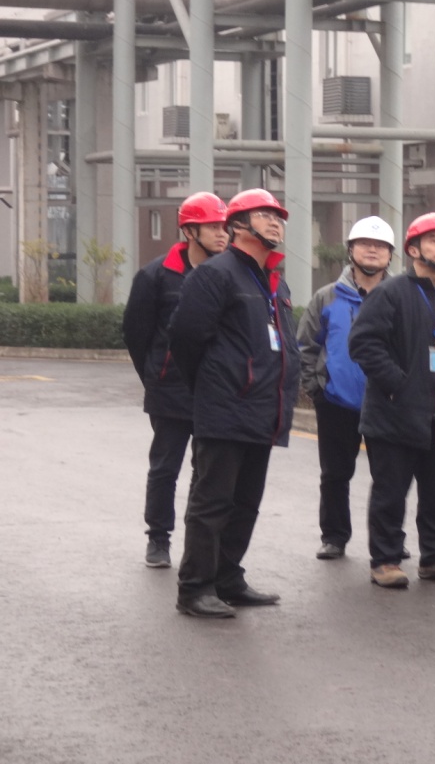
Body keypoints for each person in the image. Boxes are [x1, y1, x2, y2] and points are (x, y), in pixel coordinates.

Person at [167, 188, 300, 618]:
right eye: (265, 215)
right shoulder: (216, 274)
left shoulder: (274, 281)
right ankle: (195, 589)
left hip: (264, 410)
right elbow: (185, 338)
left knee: (245, 503)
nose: (275, 222)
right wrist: (217, 385)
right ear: (238, 225)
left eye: (278, 216)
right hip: (225, 407)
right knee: (212, 503)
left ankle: (228, 579)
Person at [348, 212, 435, 589]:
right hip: (393, 416)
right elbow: (363, 343)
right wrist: (398, 385)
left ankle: (434, 558)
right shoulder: (390, 293)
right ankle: (385, 560)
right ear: (413, 249)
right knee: (390, 493)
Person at [122, 192, 229, 568]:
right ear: (189, 231)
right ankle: (158, 538)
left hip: (215, 391)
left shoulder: (228, 274)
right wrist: (156, 375)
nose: (222, 233)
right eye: (213, 227)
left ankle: (201, 544)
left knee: (209, 472)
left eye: (225, 226)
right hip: (169, 391)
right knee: (165, 468)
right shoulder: (155, 275)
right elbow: (136, 333)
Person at [298, 215, 396, 561]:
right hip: (336, 401)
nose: (373, 250)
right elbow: (306, 346)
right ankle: (334, 537)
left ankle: (388, 541)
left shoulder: (400, 298)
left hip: (386, 402)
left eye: (381, 246)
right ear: (350, 250)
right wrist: (317, 389)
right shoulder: (327, 297)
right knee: (335, 474)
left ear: (390, 254)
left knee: (390, 478)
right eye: (365, 244)